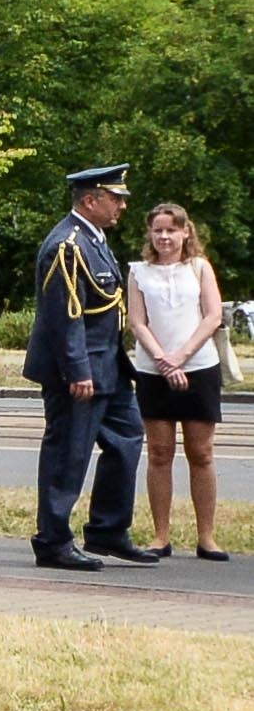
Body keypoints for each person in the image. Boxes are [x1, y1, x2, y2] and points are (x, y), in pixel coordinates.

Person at [24, 164, 157, 570]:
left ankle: (108, 530)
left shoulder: (93, 239)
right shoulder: (67, 245)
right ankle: (53, 541)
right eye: (115, 198)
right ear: (89, 200)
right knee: (69, 453)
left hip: (109, 366)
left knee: (127, 438)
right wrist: (76, 370)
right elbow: (65, 316)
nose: (121, 205)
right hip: (79, 370)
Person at [127, 202, 229, 561]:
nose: (165, 237)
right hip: (154, 370)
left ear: (186, 232)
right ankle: (160, 535)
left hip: (199, 367)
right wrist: (163, 360)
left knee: (200, 453)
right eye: (158, 230)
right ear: (150, 234)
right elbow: (137, 322)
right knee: (159, 453)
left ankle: (207, 537)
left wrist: (181, 356)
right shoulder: (138, 272)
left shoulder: (199, 268)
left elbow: (213, 315)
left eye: (172, 230)